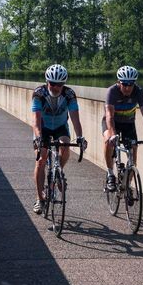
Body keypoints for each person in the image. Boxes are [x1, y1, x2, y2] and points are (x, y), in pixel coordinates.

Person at [32, 64, 87, 214]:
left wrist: (80, 137)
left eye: (60, 84)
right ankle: (40, 199)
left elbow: (75, 119)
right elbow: (36, 120)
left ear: (64, 84)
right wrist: (38, 138)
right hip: (43, 128)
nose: (56, 87)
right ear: (47, 81)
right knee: (41, 159)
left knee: (65, 145)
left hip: (60, 127)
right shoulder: (39, 94)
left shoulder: (69, 94)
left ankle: (58, 171)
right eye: (52, 83)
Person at [102, 65, 143, 192]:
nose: (128, 87)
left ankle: (127, 185)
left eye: (131, 84)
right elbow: (109, 115)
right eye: (125, 84)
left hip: (128, 123)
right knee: (108, 141)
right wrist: (112, 134)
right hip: (112, 122)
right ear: (119, 82)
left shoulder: (138, 91)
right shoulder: (112, 91)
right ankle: (110, 174)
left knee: (133, 151)